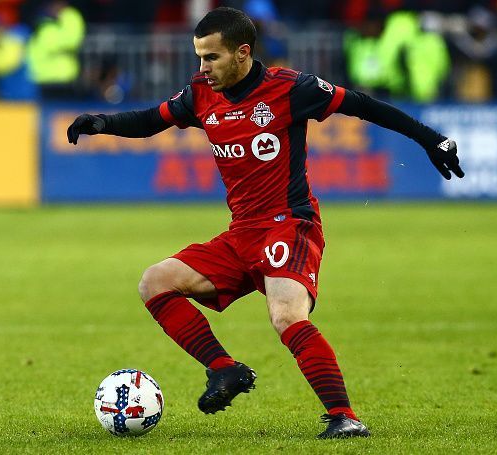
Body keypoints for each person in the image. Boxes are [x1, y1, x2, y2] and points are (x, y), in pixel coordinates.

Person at [67, 7, 464, 439]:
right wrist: (102, 122)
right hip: (242, 233)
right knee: (155, 281)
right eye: (199, 57)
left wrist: (431, 139)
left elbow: (363, 106)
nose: (203, 68)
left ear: (242, 53)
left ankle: (343, 416)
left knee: (286, 315)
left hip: (290, 225)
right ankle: (225, 370)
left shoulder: (291, 89)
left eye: (211, 58)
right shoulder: (201, 93)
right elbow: (152, 120)